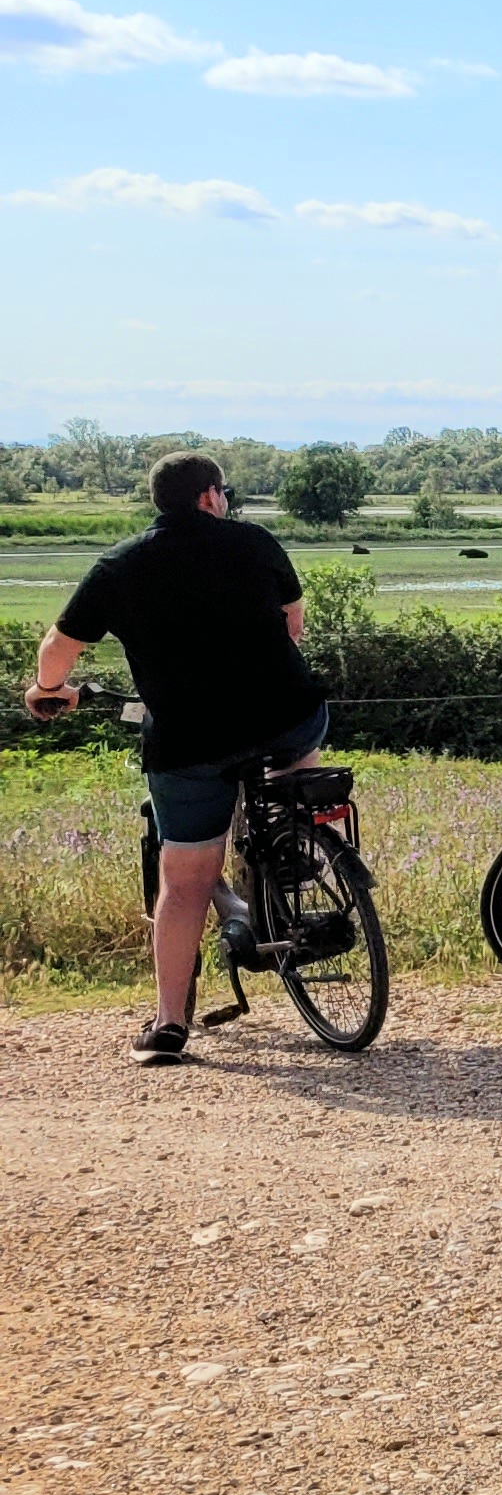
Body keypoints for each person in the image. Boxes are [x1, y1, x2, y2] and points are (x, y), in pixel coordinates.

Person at [25, 452, 329, 1066]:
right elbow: (292, 624)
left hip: (191, 742)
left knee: (185, 883)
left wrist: (48, 689)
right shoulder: (254, 541)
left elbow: (60, 646)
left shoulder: (119, 566)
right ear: (210, 497)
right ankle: (295, 828)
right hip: (285, 715)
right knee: (300, 737)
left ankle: (167, 1026)